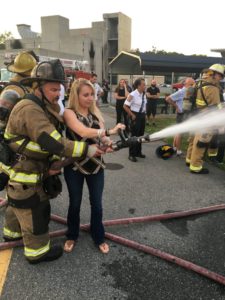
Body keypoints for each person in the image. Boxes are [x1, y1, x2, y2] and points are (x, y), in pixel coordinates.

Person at [1, 59, 101, 264]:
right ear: (37, 87)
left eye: (60, 89)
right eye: (54, 89)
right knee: (36, 209)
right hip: (26, 172)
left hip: (23, 171)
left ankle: (11, 234)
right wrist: (87, 149)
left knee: (16, 203)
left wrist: (55, 164)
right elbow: (54, 143)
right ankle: (37, 252)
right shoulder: (30, 110)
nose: (58, 94)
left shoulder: (43, 106)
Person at [62, 78, 125, 254]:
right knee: (74, 203)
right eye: (86, 95)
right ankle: (72, 235)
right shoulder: (69, 112)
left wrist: (110, 144)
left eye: (92, 94)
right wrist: (107, 132)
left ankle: (98, 236)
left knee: (96, 204)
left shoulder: (96, 113)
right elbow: (82, 131)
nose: (90, 98)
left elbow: (102, 139)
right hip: (74, 166)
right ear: (76, 95)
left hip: (96, 166)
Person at [186, 64, 224, 174]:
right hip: (206, 119)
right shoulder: (212, 88)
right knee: (201, 143)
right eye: (220, 76)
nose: (221, 78)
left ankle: (189, 160)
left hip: (195, 115)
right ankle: (196, 166)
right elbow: (216, 107)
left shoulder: (199, 82)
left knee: (193, 140)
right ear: (214, 74)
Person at [166, 78, 195, 156]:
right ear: (186, 84)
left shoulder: (190, 91)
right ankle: (178, 151)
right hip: (181, 114)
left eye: (193, 84)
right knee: (180, 133)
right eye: (191, 84)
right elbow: (168, 99)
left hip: (185, 113)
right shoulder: (182, 91)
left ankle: (174, 147)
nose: (193, 86)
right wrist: (176, 107)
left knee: (178, 131)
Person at [123, 78, 147, 162]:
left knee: (140, 135)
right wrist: (132, 115)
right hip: (135, 115)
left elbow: (144, 105)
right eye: (143, 84)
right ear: (138, 86)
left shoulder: (143, 94)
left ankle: (138, 152)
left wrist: (145, 115)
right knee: (134, 135)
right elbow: (125, 106)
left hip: (142, 116)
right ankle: (131, 154)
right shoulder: (132, 94)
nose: (145, 86)